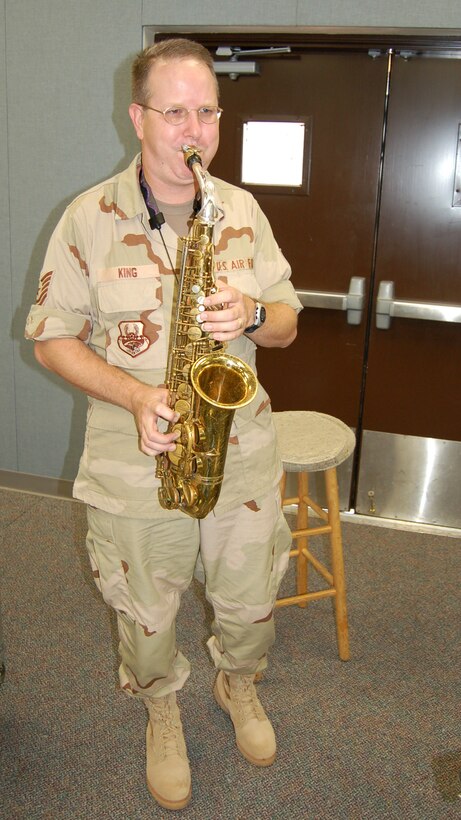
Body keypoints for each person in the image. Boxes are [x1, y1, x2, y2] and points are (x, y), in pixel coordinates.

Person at [25, 38, 302, 811]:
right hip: (131, 455)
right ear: (137, 117)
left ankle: (236, 684)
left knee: (249, 603)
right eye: (174, 110)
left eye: (206, 111)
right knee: (146, 618)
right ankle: (159, 709)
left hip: (239, 452)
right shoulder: (88, 217)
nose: (194, 129)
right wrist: (136, 396)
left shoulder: (240, 209)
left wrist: (252, 312)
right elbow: (50, 339)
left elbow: (284, 324)